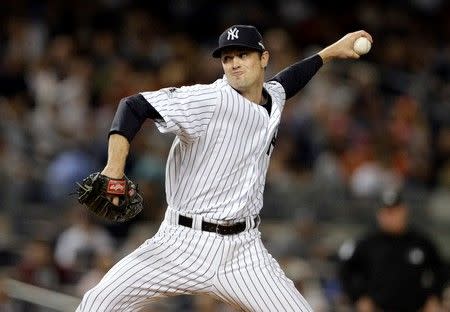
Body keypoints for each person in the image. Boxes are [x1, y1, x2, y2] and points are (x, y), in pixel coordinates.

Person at [77, 24, 372, 311]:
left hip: (244, 252)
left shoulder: (274, 96)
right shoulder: (210, 99)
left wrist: (332, 51)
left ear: (264, 59)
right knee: (97, 303)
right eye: (227, 58)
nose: (234, 64)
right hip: (181, 243)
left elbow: (291, 79)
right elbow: (133, 106)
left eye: (242, 55)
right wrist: (114, 169)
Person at [338, 188, 446, 312]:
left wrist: (434, 296)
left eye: (395, 211)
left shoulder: (420, 242)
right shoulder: (368, 243)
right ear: (379, 214)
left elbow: (441, 269)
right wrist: (359, 297)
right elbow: (346, 270)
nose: (391, 217)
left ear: (404, 211)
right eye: (386, 212)